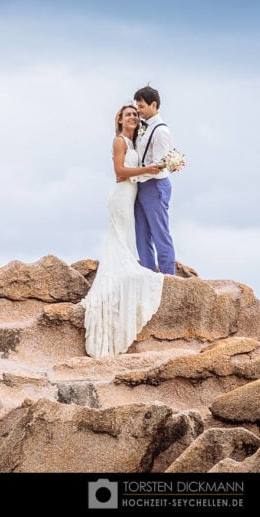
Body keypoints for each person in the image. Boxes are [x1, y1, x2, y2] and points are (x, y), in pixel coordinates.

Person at [80, 104, 165, 359]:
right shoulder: (120, 142)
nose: (133, 117)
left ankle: (123, 275)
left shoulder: (133, 143)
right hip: (120, 195)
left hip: (131, 195)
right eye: (128, 114)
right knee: (120, 237)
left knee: (128, 238)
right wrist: (147, 170)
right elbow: (119, 173)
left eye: (135, 115)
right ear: (119, 119)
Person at [133, 85, 177, 275]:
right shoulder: (144, 127)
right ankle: (147, 276)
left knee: (160, 235)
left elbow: (159, 166)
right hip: (141, 186)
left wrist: (135, 173)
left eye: (141, 106)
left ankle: (169, 278)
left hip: (155, 186)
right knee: (142, 236)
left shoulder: (160, 131)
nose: (139, 111)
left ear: (154, 105)